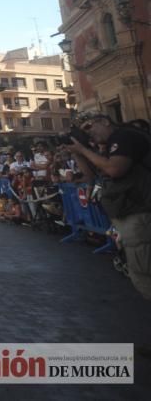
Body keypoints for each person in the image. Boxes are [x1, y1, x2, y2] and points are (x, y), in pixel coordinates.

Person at [67, 111, 151, 300]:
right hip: (130, 213)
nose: (88, 134)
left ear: (104, 121)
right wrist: (77, 153)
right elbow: (91, 175)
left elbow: (114, 169)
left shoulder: (125, 136)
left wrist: (84, 150)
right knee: (141, 273)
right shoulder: (108, 146)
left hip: (140, 213)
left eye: (89, 127)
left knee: (145, 272)